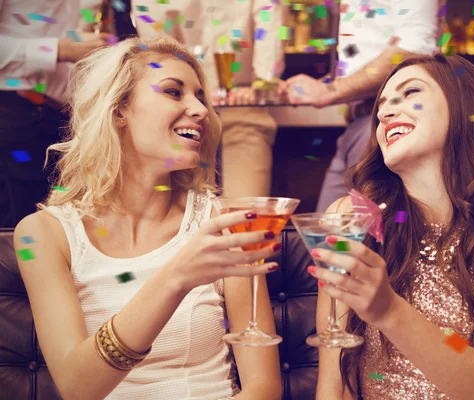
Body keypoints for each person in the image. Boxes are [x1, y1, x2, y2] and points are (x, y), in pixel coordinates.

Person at [13, 36, 282, 400]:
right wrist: (175, 277)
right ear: (119, 109)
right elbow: (78, 388)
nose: (200, 110)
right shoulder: (43, 235)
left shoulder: (225, 222)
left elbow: (263, 387)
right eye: (174, 92)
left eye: (200, 97)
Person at [309, 54, 474, 399]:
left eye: (410, 92)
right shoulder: (351, 216)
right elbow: (333, 387)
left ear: (467, 106)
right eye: (382, 104)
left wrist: (388, 310)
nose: (384, 112)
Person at [283, 0, 443, 212]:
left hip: (386, 123)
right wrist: (320, 86)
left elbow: (415, 47)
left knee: (357, 238)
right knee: (326, 235)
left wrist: (330, 91)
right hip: (357, 124)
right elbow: (364, 58)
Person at [133, 0, 285, 197]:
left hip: (242, 108)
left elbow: (270, 15)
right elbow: (154, 53)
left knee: (245, 215)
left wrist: (264, 83)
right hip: (177, 119)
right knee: (179, 214)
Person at [0, 0, 112, 227]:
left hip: (74, 119)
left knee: (61, 229)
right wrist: (59, 49)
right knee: (17, 236)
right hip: (15, 114)